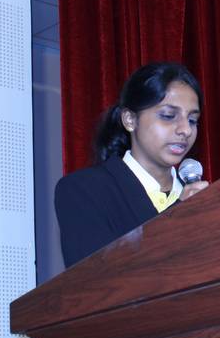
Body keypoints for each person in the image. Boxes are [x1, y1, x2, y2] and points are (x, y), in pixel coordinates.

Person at [55, 62, 209, 267]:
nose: (186, 130)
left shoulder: (201, 198)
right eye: (168, 116)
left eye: (192, 120)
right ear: (130, 120)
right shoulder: (84, 189)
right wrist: (179, 213)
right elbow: (97, 277)